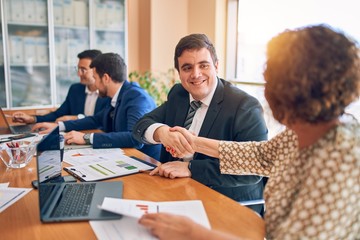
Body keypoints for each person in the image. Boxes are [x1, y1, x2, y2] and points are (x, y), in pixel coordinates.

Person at [139, 25, 360, 239]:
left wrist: (192, 234)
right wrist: (191, 142)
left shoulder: (340, 158)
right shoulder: (304, 131)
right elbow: (259, 155)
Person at [132, 33, 268, 214]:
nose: (196, 74)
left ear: (216, 66)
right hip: (177, 193)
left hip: (229, 205)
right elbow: (140, 126)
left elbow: (253, 171)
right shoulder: (179, 94)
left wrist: (191, 168)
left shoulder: (245, 106)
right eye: (187, 68)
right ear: (179, 73)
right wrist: (162, 132)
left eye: (203, 65)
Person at [32, 53, 161, 160]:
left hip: (145, 163)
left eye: (95, 78)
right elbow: (95, 119)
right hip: (126, 157)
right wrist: (59, 126)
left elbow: (135, 138)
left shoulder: (136, 97)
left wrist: (86, 138)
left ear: (105, 78)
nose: (94, 84)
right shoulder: (117, 96)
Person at [12, 50, 110, 123]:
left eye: (83, 70)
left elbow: (102, 121)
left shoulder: (107, 93)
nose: (79, 74)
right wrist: (32, 118)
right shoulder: (75, 89)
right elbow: (58, 114)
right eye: (78, 69)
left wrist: (78, 118)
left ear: (96, 70)